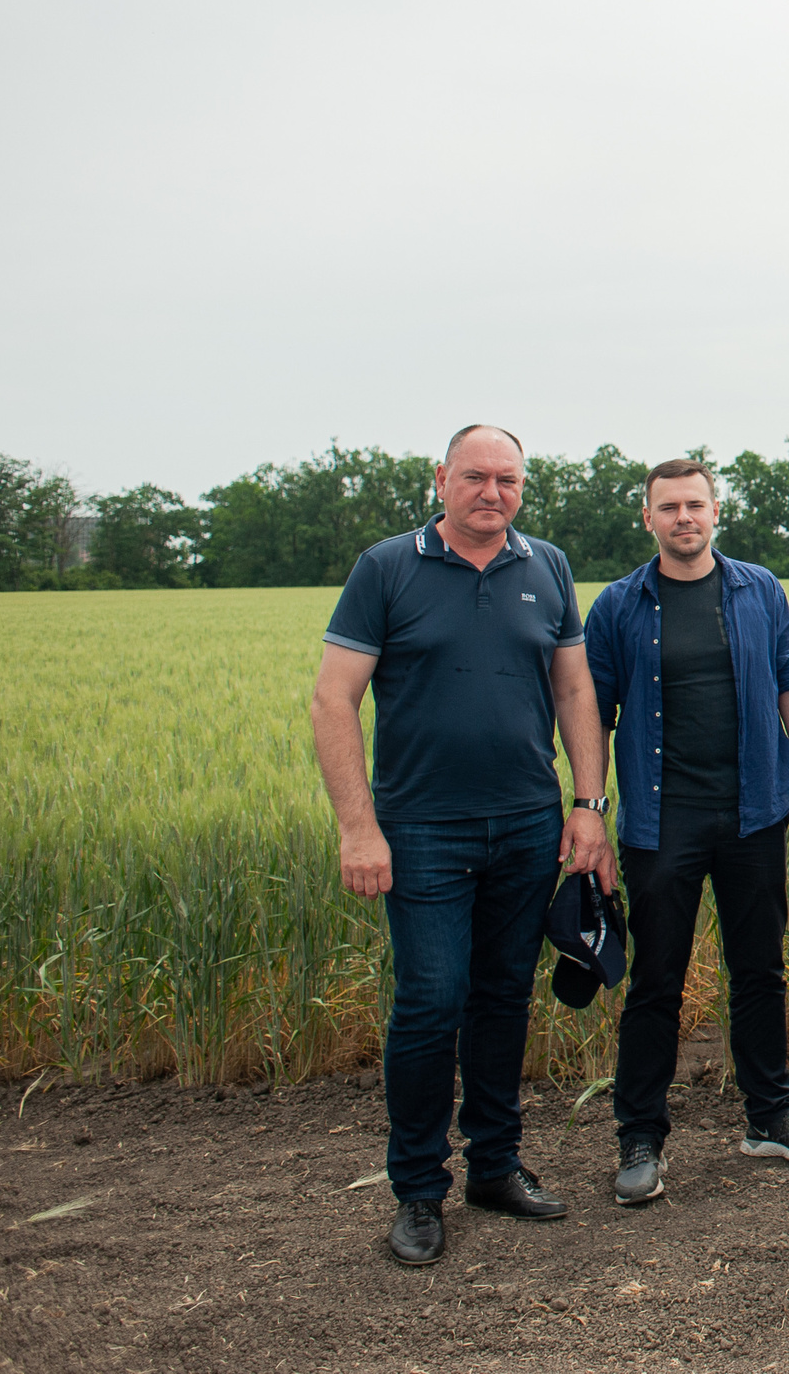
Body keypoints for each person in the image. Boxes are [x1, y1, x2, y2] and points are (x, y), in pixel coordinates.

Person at [312, 424, 614, 1266]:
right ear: (441, 478)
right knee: (430, 1001)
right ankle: (416, 1188)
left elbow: (573, 684)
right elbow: (334, 700)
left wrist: (588, 804)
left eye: (508, 480)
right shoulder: (387, 567)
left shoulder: (545, 565)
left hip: (526, 821)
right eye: (476, 477)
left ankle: (495, 1166)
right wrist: (357, 825)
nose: (492, 492)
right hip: (420, 830)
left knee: (501, 997)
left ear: (523, 486)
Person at [585, 458, 789, 1211]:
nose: (683, 518)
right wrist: (590, 811)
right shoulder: (619, 605)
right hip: (661, 823)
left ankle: (770, 1118)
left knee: (759, 969)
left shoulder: (758, 589)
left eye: (694, 504)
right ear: (649, 518)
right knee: (656, 980)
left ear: (715, 510)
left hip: (756, 811)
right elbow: (592, 714)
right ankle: (639, 1139)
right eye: (668, 507)